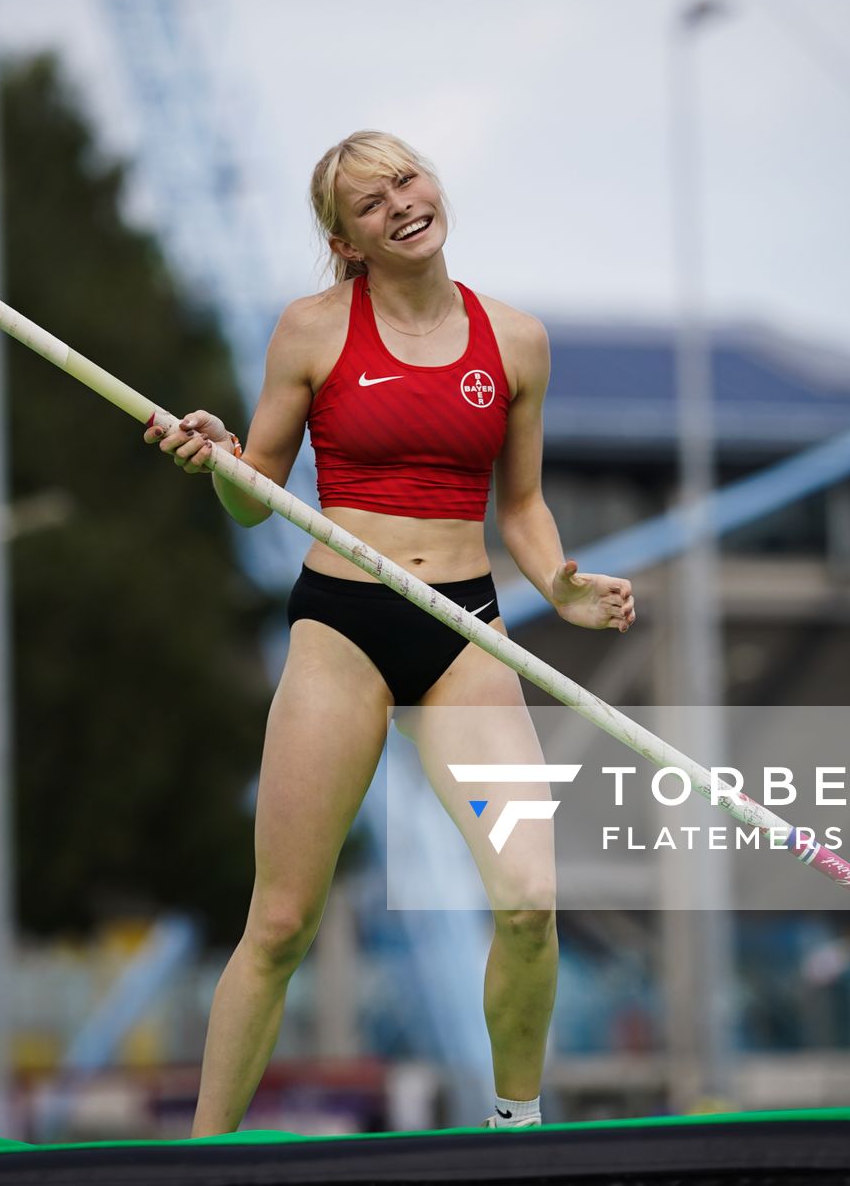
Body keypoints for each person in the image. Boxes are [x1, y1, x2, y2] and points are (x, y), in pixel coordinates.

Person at [146, 130, 635, 1135]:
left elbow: (525, 508)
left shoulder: (518, 341)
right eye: (370, 202)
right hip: (344, 631)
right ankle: (200, 1159)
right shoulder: (312, 330)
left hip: (465, 635)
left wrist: (563, 583)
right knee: (280, 922)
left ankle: (515, 1125)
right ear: (346, 241)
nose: (401, 202)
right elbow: (257, 501)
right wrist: (219, 458)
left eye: (406, 178)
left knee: (530, 898)